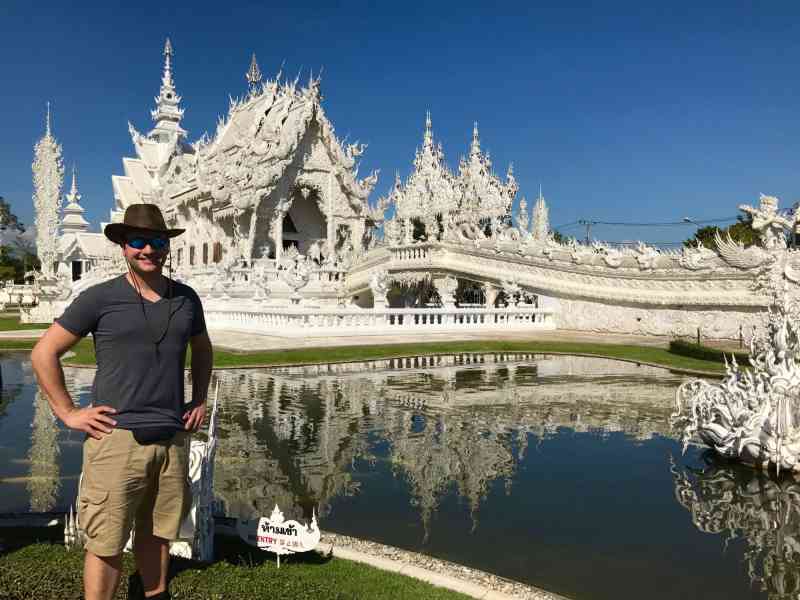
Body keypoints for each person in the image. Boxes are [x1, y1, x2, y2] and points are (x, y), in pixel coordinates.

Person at [31, 203, 213, 600]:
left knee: (159, 531)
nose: (149, 250)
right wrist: (67, 412)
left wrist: (199, 398)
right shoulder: (100, 298)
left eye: (157, 241)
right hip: (116, 438)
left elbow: (202, 349)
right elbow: (44, 353)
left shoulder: (186, 299)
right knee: (106, 540)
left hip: (171, 436)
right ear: (124, 247)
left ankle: (154, 594)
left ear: (167, 246)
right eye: (139, 242)